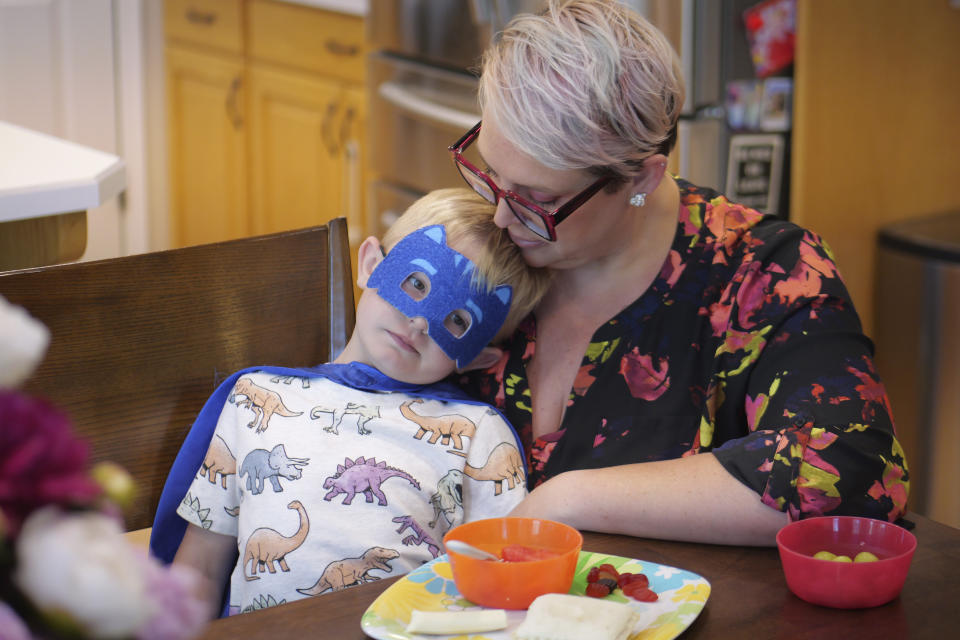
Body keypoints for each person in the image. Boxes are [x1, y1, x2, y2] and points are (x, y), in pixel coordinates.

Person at [452, 0, 909, 546]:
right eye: (492, 175)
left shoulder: (764, 274)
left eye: (540, 198)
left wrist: (568, 498)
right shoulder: (473, 245)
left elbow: (850, 470)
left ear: (642, 178)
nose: (503, 217)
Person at [150, 188, 551, 618]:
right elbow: (201, 571)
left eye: (457, 320)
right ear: (371, 264)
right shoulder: (254, 397)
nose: (419, 322)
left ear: (480, 356)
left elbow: (503, 585)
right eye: (416, 282)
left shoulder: (480, 433)